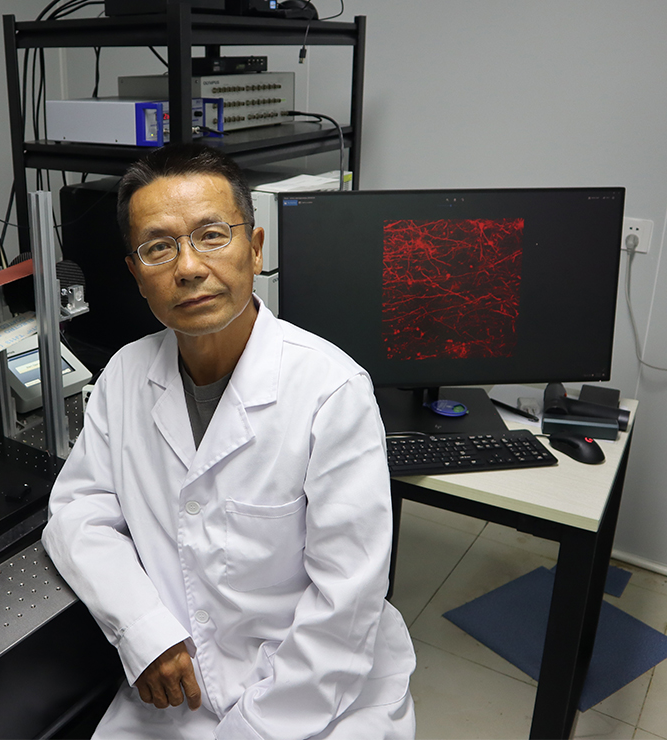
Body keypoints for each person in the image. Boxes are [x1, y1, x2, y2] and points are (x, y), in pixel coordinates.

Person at [41, 142, 415, 739]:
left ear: (255, 249)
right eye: (159, 247)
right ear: (137, 275)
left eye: (212, 235)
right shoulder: (125, 375)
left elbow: (345, 607)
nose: (188, 267)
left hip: (318, 696)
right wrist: (143, 630)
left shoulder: (331, 391)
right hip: (176, 689)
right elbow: (77, 512)